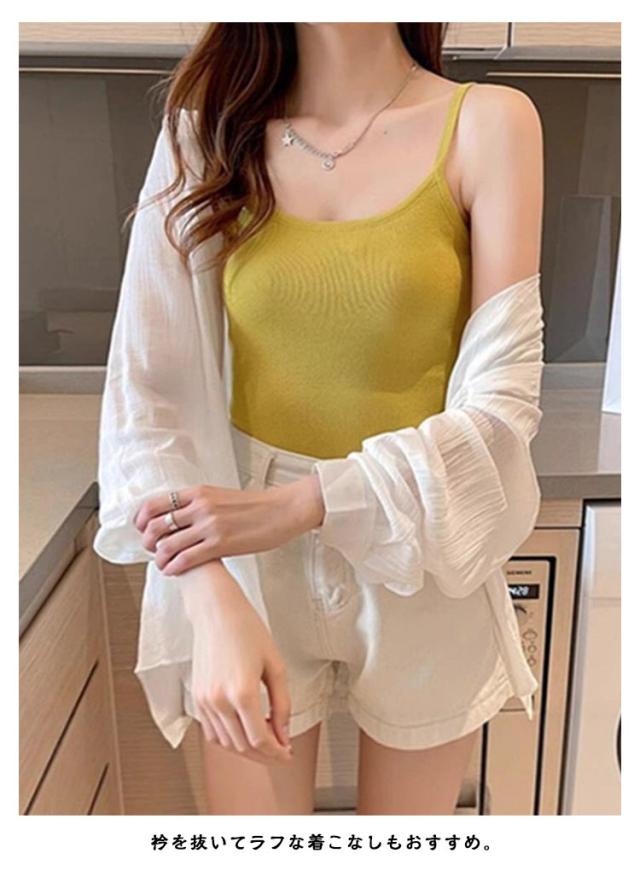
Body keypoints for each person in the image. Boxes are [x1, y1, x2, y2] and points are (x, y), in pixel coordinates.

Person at [94, 22, 545, 816]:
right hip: (241, 557)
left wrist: (304, 504)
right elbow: (147, 399)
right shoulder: (206, 136)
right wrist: (208, 593)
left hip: (420, 540)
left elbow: (501, 409)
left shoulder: (490, 123)